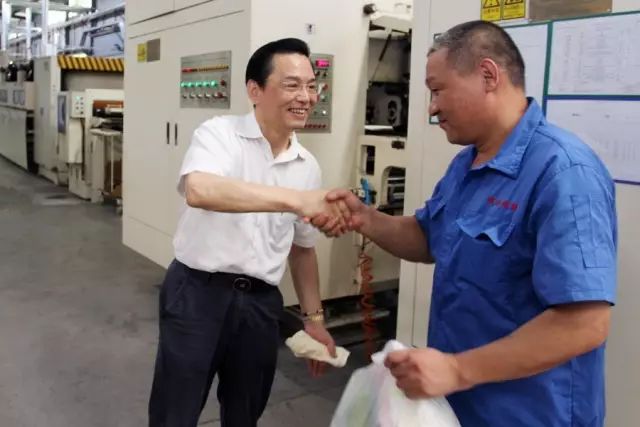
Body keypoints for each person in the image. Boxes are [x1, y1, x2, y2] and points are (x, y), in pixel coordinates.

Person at [312, 21, 617, 427]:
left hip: (530, 413)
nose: (432, 108)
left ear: (488, 75)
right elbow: (427, 237)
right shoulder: (468, 164)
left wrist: (457, 370)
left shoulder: (564, 172)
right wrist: (364, 218)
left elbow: (585, 323)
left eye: (437, 90)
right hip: (462, 405)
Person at [148, 38, 348, 427]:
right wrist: (296, 200)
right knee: (175, 411)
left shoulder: (307, 165)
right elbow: (200, 190)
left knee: (245, 411)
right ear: (255, 90)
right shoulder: (219, 135)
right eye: (292, 85)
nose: (306, 97)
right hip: (197, 294)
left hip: (260, 305)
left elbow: (302, 250)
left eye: (312, 85)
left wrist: (314, 320)